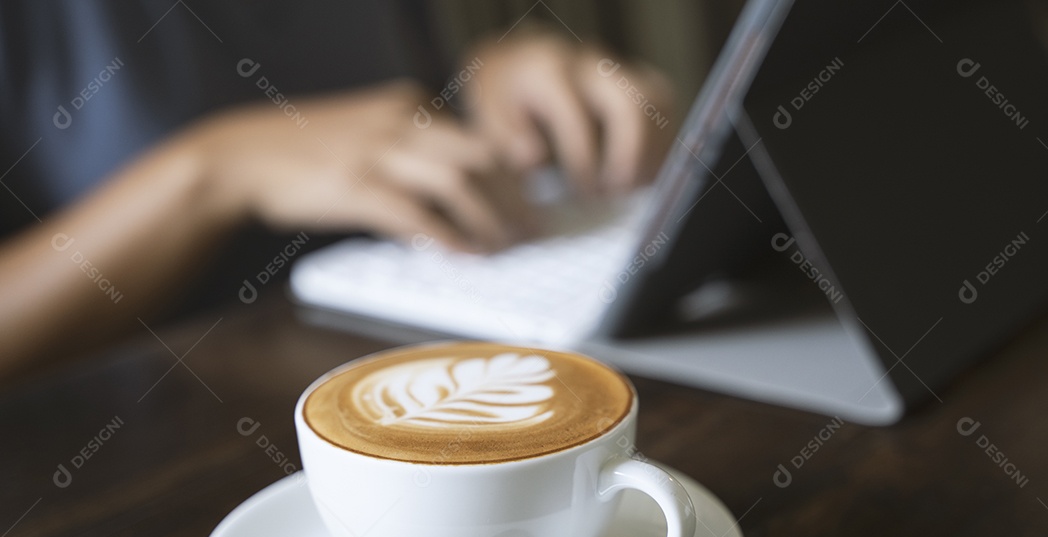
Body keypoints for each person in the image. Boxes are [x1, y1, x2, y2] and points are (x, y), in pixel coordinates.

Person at [0, 2, 674, 384]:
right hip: (138, 461)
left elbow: (395, 114)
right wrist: (211, 172)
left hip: (409, 364)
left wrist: (486, 83)